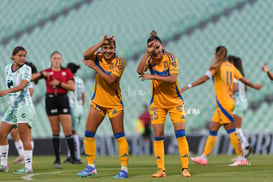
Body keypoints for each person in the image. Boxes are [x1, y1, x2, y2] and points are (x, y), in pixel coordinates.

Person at [181, 46, 262, 166]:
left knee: (231, 130)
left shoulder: (216, 67)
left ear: (216, 54)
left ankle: (241, 158)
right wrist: (254, 86)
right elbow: (243, 79)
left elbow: (204, 78)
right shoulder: (231, 67)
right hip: (226, 103)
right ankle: (204, 157)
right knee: (213, 129)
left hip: (224, 103)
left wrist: (187, 86)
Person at [137, 31, 191, 178]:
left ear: (162, 46)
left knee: (180, 134)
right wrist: (146, 53)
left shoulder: (170, 57)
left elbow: (173, 79)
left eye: (157, 47)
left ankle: (185, 168)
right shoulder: (149, 58)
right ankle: (161, 170)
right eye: (152, 48)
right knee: (158, 135)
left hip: (175, 102)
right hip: (157, 104)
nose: (156, 51)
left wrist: (152, 76)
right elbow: (139, 71)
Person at [77, 35, 129, 179]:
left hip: (114, 104)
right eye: (105, 48)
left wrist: (94, 66)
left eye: (110, 48)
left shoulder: (120, 61)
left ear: (115, 48)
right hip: (98, 103)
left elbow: (111, 80)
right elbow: (86, 55)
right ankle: (91, 166)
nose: (107, 51)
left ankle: (124, 169)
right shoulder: (98, 55)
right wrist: (101, 41)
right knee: (88, 134)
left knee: (119, 136)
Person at [31, 51, 80, 167]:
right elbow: (31, 78)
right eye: (54, 58)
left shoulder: (66, 72)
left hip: (63, 99)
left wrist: (58, 83)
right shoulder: (47, 72)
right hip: (51, 100)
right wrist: (42, 74)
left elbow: (72, 87)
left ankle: (73, 157)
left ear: (61, 60)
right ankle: (57, 159)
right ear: (51, 60)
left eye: (58, 58)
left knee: (68, 131)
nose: (57, 60)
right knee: (55, 131)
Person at [0, 46, 34, 173]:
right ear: (13, 56)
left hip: (24, 106)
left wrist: (6, 91)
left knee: (24, 136)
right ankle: (3, 164)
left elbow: (22, 86)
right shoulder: (7, 68)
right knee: (1, 134)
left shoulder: (27, 69)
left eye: (24, 56)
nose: (22, 58)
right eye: (20, 55)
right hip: (12, 107)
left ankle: (28, 167)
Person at [11, 61, 37, 165]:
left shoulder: (27, 79)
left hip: (25, 108)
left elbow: (30, 92)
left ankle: (26, 157)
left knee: (25, 133)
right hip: (21, 108)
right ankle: (23, 155)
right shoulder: (23, 78)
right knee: (16, 132)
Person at [227, 56, 252, 157]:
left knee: (236, 128)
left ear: (232, 63)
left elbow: (234, 88)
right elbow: (245, 88)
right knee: (236, 128)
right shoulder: (241, 75)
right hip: (243, 102)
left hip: (238, 104)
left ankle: (246, 146)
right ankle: (243, 151)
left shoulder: (233, 74)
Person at [64, 63, 85, 163]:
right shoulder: (80, 80)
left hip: (72, 108)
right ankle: (70, 155)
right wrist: (81, 105)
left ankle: (76, 156)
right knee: (71, 132)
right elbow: (83, 95)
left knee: (72, 132)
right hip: (80, 107)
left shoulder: (70, 80)